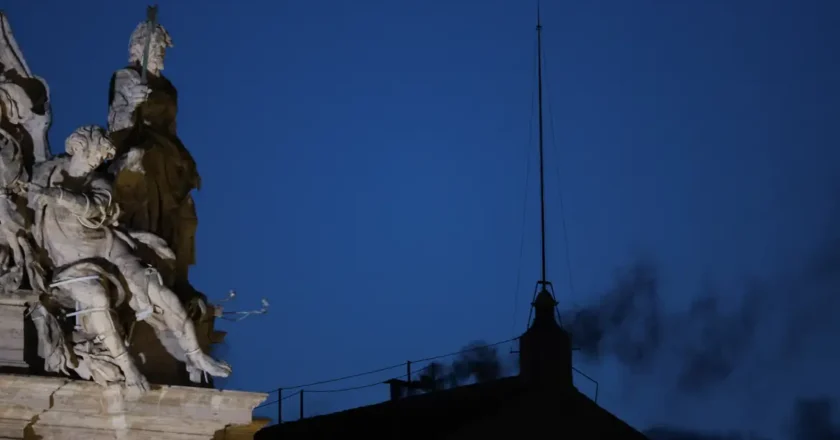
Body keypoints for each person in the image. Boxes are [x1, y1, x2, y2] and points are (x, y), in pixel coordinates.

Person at [28, 125, 230, 392]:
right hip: (70, 264)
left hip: (109, 250)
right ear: (77, 147)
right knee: (98, 299)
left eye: (101, 159)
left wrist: (57, 196)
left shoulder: (100, 183)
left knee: (159, 292)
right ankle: (128, 368)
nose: (97, 163)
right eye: (96, 156)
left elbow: (93, 208)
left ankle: (196, 354)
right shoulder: (46, 173)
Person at [108, 20, 200, 298]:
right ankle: (142, 240)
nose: (160, 52)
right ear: (139, 47)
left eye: (162, 47)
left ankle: (179, 272)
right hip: (137, 142)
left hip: (168, 150)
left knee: (187, 205)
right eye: (156, 46)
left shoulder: (169, 88)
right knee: (142, 165)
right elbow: (116, 120)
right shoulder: (125, 76)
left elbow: (171, 128)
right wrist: (133, 106)